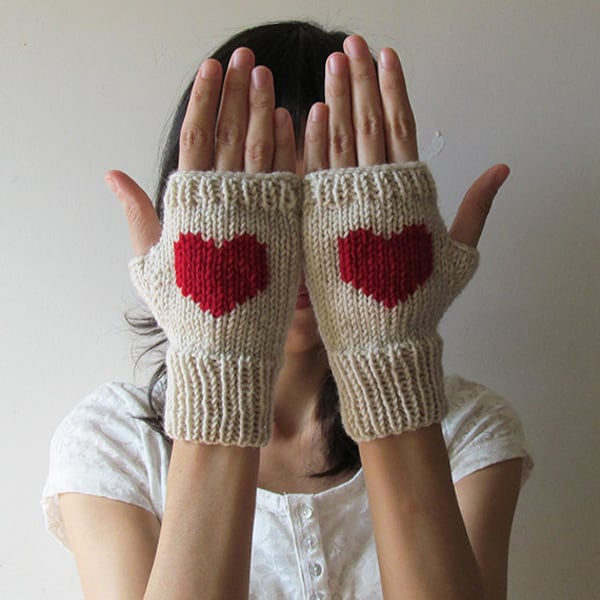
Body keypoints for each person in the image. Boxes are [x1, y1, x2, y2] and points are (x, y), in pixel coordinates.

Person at [42, 20, 533, 599]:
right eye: (261, 205)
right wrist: (218, 362)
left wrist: (387, 361)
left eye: (328, 203)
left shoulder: (466, 432)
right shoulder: (113, 442)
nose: (295, 245)